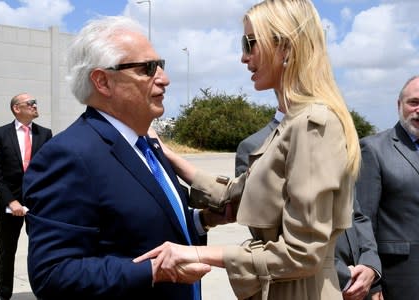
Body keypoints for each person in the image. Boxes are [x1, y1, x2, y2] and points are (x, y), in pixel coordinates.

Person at [135, 1, 362, 299]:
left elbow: (303, 254)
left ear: (286, 47)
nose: (244, 57)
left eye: (250, 43)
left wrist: (196, 255)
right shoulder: (291, 123)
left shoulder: (311, 125)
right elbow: (238, 192)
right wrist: (166, 153)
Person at [22, 16, 210, 300]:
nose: (164, 78)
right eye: (148, 69)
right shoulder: (70, 155)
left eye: (161, 65)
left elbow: (142, 221)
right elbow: (53, 274)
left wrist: (203, 220)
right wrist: (155, 271)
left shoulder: (146, 145)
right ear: (103, 81)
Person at [235, 111, 382, 300]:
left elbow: (357, 212)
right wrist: (345, 278)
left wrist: (370, 266)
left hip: (360, 281)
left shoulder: (334, 133)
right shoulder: (254, 146)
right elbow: (270, 229)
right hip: (308, 285)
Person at [356, 75, 419, 300]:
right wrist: (373, 284)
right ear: (399, 105)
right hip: (399, 281)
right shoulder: (373, 149)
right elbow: (362, 219)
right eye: (414, 102)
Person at [0, 93, 52, 300]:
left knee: (42, 250)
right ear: (17, 108)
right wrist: (11, 201)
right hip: (9, 204)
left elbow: (50, 168)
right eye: (30, 103)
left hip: (38, 204)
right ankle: (3, 294)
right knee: (7, 250)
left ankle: (43, 290)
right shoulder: (0, 134)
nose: (35, 106)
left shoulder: (45, 134)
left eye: (35, 102)